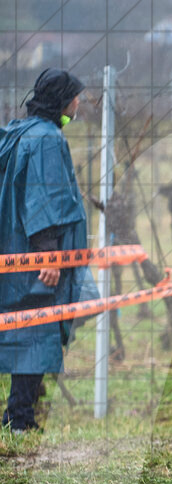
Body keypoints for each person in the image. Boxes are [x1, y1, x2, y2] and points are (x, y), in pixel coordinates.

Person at [0, 68, 89, 433]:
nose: (78, 104)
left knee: (23, 329)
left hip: (15, 249)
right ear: (61, 101)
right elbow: (43, 197)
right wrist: (48, 255)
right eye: (75, 97)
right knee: (35, 332)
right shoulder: (47, 139)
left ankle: (17, 414)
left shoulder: (18, 131)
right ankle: (20, 418)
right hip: (36, 257)